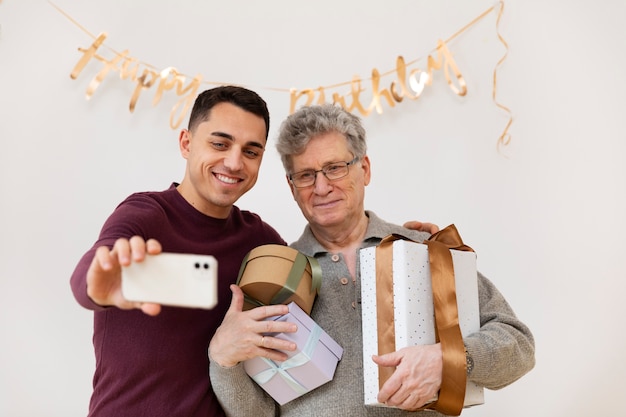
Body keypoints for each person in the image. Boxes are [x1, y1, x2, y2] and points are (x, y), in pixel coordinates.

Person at [70, 86, 435, 417]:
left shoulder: (262, 242)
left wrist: (408, 243)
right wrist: (99, 286)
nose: (233, 162)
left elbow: (330, 258)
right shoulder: (145, 215)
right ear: (185, 142)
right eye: (219, 143)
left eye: (250, 151)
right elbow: (95, 269)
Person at [208, 104, 536, 416]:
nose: (321, 187)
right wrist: (222, 361)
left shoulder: (423, 249)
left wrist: (446, 359)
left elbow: (519, 346)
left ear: (364, 169)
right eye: (306, 175)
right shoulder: (275, 277)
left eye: (335, 168)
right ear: (291, 187)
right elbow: (256, 413)